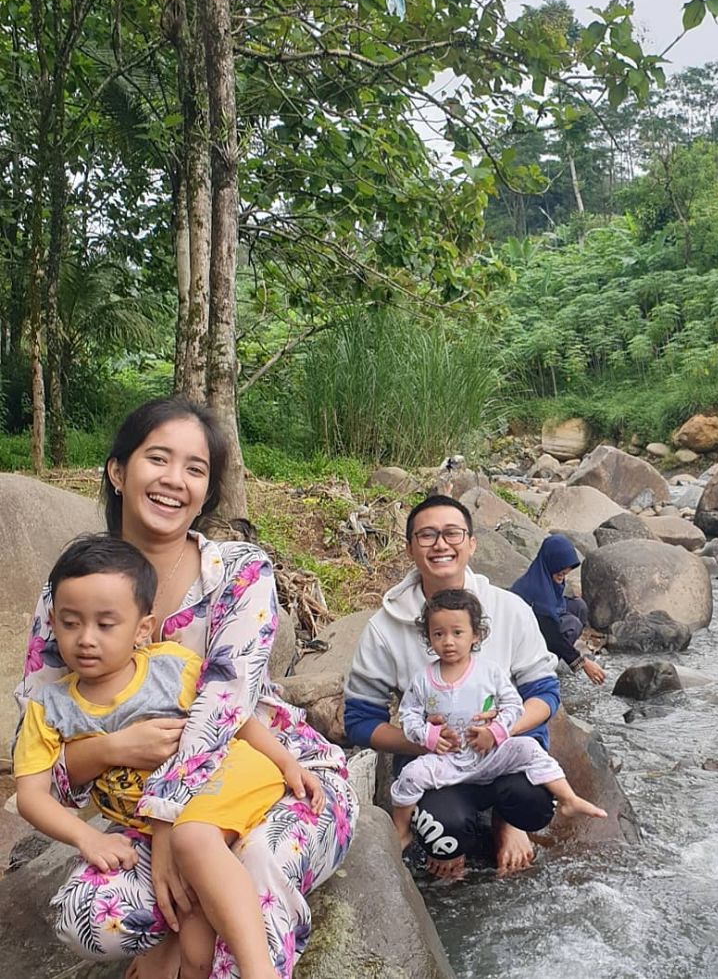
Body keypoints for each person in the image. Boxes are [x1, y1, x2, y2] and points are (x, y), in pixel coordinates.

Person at [15, 398, 358, 979]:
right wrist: (109, 751)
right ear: (118, 471)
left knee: (254, 873)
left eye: (195, 469)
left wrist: (173, 825)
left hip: (271, 778)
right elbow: (48, 762)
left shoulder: (239, 573)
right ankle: (178, 936)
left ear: (207, 491)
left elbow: (229, 701)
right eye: (158, 459)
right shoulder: (70, 597)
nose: (175, 480)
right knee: (89, 914)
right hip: (146, 815)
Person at [16, 534, 326, 979]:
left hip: (227, 775)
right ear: (53, 622)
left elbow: (233, 713)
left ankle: (260, 971)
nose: (86, 639)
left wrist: (285, 761)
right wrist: (90, 839)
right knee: (196, 948)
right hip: (158, 823)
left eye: (105, 625)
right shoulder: (49, 708)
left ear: (142, 629)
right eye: (70, 623)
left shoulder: (169, 667)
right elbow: (32, 795)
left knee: (193, 839)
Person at [345, 493, 561, 879]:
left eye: (452, 533)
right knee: (444, 835)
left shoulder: (510, 610)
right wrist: (423, 741)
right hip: (436, 767)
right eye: (427, 535)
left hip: (501, 756)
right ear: (410, 548)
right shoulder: (386, 626)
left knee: (534, 805)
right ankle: (447, 832)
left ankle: (506, 823)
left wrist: (498, 731)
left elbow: (544, 693)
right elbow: (359, 720)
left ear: (472, 543)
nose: (441, 544)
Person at [390, 588, 605, 848]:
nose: (448, 641)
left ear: (475, 635)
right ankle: (401, 831)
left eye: (457, 633)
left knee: (528, 747)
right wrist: (429, 735)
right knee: (411, 774)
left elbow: (513, 704)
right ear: (428, 638)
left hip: (491, 755)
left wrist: (496, 732)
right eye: (439, 634)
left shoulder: (489, 672)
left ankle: (568, 798)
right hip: (447, 760)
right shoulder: (423, 679)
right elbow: (409, 714)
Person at [510, 535, 606, 685]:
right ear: (550, 564)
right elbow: (551, 634)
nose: (562, 577)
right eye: (560, 573)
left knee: (578, 606)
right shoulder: (534, 590)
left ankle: (562, 654)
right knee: (571, 625)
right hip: (525, 643)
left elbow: (556, 605)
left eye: (565, 574)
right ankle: (545, 666)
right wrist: (582, 663)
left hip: (544, 623)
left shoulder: (544, 577)